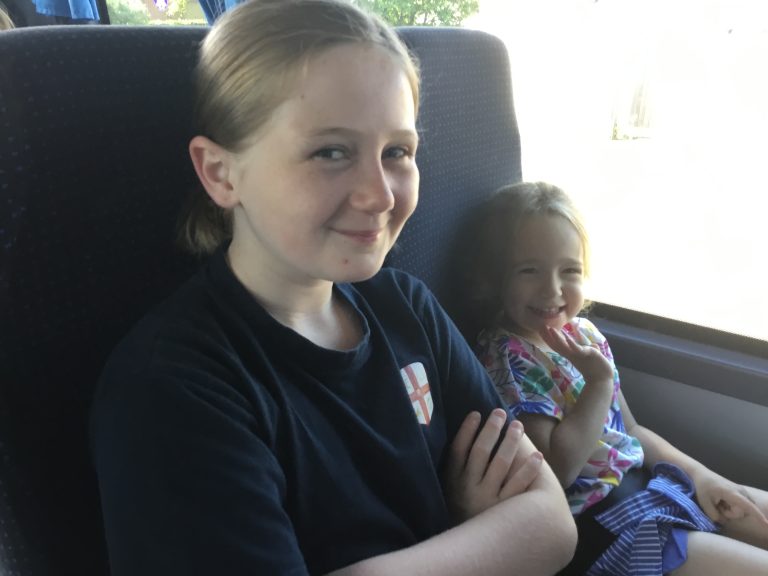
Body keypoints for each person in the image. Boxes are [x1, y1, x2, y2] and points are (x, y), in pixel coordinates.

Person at [89, 2, 577, 575]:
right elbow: (526, 533)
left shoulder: (407, 307)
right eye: (331, 152)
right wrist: (469, 527)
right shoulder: (175, 389)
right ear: (221, 173)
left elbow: (552, 523)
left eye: (397, 152)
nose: (381, 194)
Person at [465, 181, 768, 575]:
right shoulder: (506, 360)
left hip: (653, 492)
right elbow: (557, 469)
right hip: (608, 531)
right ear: (495, 279)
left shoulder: (584, 335)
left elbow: (632, 430)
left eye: (569, 270)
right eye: (529, 271)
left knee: (751, 504)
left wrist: (704, 478)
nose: (553, 289)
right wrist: (598, 383)